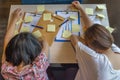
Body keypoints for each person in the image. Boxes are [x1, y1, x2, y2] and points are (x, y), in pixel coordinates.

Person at [71, 1, 120, 80]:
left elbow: (73, 37)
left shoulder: (94, 58)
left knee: (69, 69)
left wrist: (86, 42)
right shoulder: (113, 48)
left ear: (94, 48)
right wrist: (81, 9)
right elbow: (93, 28)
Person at [1, 8, 49, 80]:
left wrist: (14, 19)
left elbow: (7, 40)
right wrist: (42, 40)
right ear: (36, 54)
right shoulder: (39, 68)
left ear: (9, 52)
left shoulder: (6, 69)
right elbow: (46, 46)